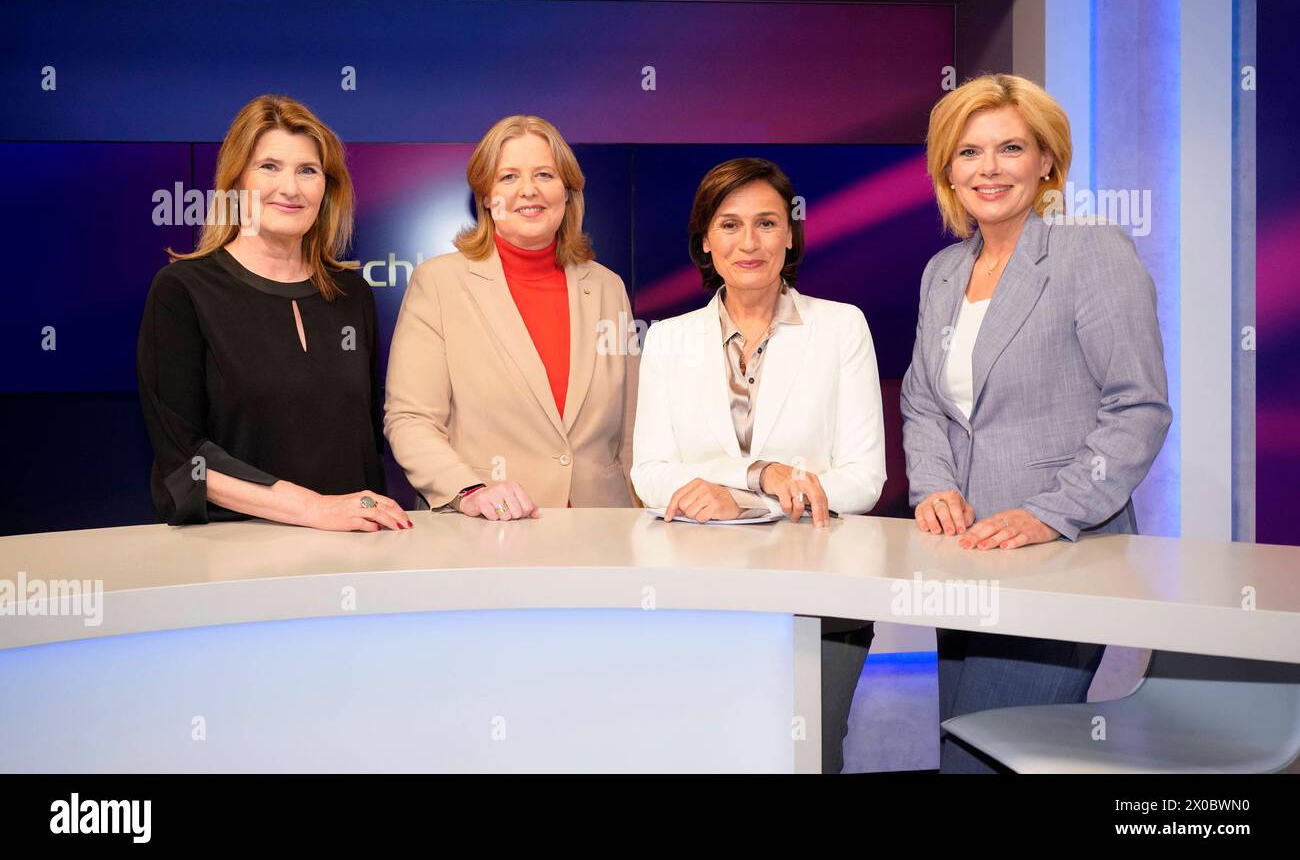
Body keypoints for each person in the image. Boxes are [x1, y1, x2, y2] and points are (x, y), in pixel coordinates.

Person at [901, 73, 1171, 772]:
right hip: (963, 555)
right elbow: (924, 403)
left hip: (1062, 553)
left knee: (989, 757)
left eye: (1010, 147)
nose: (988, 169)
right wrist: (931, 488)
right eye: (968, 153)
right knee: (958, 745)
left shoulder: (1090, 250)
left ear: (1047, 161)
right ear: (947, 170)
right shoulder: (942, 272)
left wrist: (1048, 514)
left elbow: (1136, 408)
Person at [632, 157, 886, 773]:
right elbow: (650, 472)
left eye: (768, 223)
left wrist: (751, 501)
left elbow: (862, 477)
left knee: (810, 755)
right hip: (699, 594)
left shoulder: (841, 326)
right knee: (711, 753)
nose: (749, 242)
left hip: (823, 592)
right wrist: (757, 474)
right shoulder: (668, 338)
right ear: (705, 242)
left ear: (791, 235)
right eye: (730, 225)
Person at [137, 94, 408, 532]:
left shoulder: (352, 293)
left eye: (308, 171)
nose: (290, 188)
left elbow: (364, 443)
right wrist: (315, 509)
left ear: (327, 187)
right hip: (236, 557)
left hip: (354, 550)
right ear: (237, 180)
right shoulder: (183, 290)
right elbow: (185, 460)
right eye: (269, 167)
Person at [385, 115, 637, 519]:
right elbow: (410, 420)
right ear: (485, 196)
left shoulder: (608, 287)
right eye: (508, 177)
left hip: (602, 532)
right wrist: (469, 491)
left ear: (567, 192)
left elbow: (629, 428)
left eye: (544, 174)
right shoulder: (439, 283)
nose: (528, 190)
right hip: (489, 536)